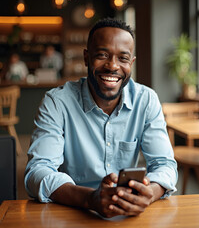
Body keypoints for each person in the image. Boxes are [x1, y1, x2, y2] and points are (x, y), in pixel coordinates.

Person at [24, 18, 178, 218]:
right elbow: (37, 172)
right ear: (86, 58)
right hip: (73, 210)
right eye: (102, 55)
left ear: (131, 63)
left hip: (130, 214)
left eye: (123, 58)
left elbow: (165, 165)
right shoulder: (57, 102)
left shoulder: (146, 100)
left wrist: (149, 194)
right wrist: (90, 199)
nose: (112, 66)